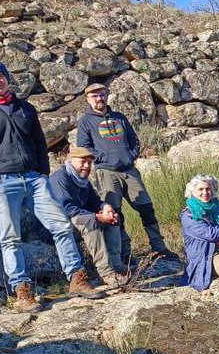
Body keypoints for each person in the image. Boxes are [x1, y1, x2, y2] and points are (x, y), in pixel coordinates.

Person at [0, 59, 103, 311]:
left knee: (61, 226)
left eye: (0, 77)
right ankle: (22, 291)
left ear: (7, 79)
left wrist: (42, 172)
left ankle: (77, 279)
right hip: (3, 182)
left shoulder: (24, 108)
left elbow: (39, 143)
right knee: (11, 238)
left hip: (34, 180)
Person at [75, 82, 178, 267]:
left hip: (129, 170)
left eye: (102, 94)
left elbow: (134, 141)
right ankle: (124, 252)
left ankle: (159, 247)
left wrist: (130, 156)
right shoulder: (85, 121)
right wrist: (103, 158)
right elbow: (84, 147)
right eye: (94, 96)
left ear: (107, 95)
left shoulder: (119, 117)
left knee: (146, 208)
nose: (99, 98)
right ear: (88, 99)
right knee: (114, 212)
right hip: (107, 172)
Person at [49, 147, 127, 288]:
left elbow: (93, 202)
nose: (86, 166)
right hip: (62, 223)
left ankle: (116, 264)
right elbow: (67, 209)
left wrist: (105, 207)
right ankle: (106, 272)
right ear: (71, 161)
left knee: (113, 217)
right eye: (83, 162)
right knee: (90, 221)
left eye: (90, 163)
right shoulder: (60, 178)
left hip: (78, 217)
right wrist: (97, 216)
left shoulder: (82, 180)